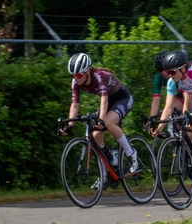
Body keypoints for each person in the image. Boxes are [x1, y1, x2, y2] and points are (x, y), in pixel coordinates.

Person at [59, 53, 138, 185]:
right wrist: (70, 125)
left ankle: (131, 154)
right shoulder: (76, 83)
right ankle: (106, 173)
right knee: (95, 135)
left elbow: (104, 99)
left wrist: (101, 120)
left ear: (87, 71)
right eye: (73, 75)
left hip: (122, 98)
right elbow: (74, 104)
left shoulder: (99, 76)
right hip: (108, 100)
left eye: (78, 75)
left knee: (108, 123)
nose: (75, 78)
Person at [149, 51, 184, 118]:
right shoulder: (158, 78)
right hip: (181, 96)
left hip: (191, 94)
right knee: (171, 112)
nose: (163, 72)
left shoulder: (178, 73)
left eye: (164, 68)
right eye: (159, 70)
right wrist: (152, 120)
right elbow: (155, 102)